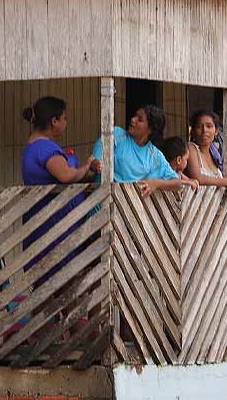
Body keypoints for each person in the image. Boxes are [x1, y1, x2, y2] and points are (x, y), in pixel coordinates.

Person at [20, 96, 100, 281]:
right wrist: (86, 166)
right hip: (56, 226)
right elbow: (66, 176)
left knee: (52, 286)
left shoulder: (35, 146)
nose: (66, 122)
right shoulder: (44, 148)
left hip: (49, 222)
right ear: (54, 121)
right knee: (65, 283)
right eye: (64, 118)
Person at [93, 105, 197, 197]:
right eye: (134, 116)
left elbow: (177, 183)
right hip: (102, 203)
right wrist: (95, 164)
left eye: (140, 119)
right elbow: (94, 162)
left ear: (150, 129)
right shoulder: (115, 135)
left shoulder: (155, 156)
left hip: (128, 211)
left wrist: (156, 184)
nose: (133, 120)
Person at [185, 109, 227, 193]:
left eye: (209, 126)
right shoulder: (191, 148)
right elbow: (198, 178)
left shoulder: (215, 154)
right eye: (199, 127)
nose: (204, 130)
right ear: (193, 131)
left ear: (216, 131)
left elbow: (226, 182)